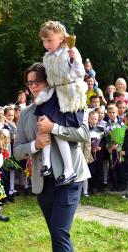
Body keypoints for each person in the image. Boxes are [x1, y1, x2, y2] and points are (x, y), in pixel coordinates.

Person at [14, 63, 90, 252]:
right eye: (29, 83)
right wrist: (36, 145)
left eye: (37, 81)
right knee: (56, 233)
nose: (33, 86)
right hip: (43, 182)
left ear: (49, 81)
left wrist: (53, 128)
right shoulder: (25, 113)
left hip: (70, 178)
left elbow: (84, 134)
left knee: (59, 232)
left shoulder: (67, 103)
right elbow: (17, 151)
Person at [34, 21, 87, 186]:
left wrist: (74, 60)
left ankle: (69, 169)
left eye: (49, 40)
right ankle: (47, 163)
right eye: (43, 41)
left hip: (68, 95)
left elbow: (80, 73)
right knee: (43, 122)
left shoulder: (69, 51)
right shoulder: (47, 57)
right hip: (54, 94)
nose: (46, 44)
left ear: (61, 38)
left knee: (57, 129)